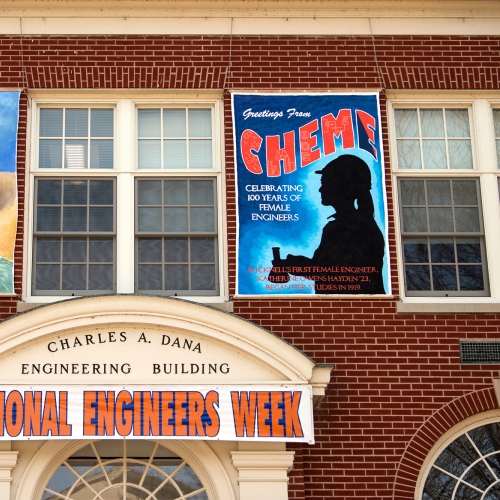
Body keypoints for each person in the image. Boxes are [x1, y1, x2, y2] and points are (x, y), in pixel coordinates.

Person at [270, 154, 386, 294]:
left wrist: (291, 264)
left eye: (324, 182)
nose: (320, 189)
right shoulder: (359, 224)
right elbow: (325, 267)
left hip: (351, 309)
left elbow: (326, 270)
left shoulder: (348, 228)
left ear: (341, 186)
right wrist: (292, 264)